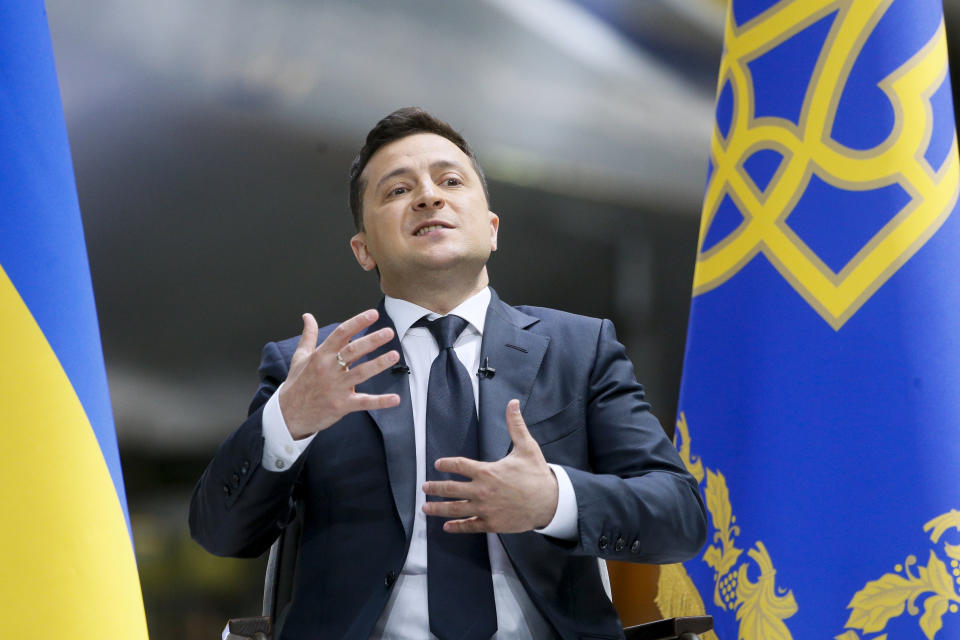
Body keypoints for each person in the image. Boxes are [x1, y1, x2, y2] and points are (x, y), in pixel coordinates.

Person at [190, 107, 707, 640]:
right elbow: (221, 533)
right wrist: (287, 420)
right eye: (396, 191)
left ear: (491, 228)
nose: (429, 197)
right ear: (363, 249)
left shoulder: (580, 349)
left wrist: (554, 500)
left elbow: (681, 518)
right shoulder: (311, 368)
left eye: (450, 181)